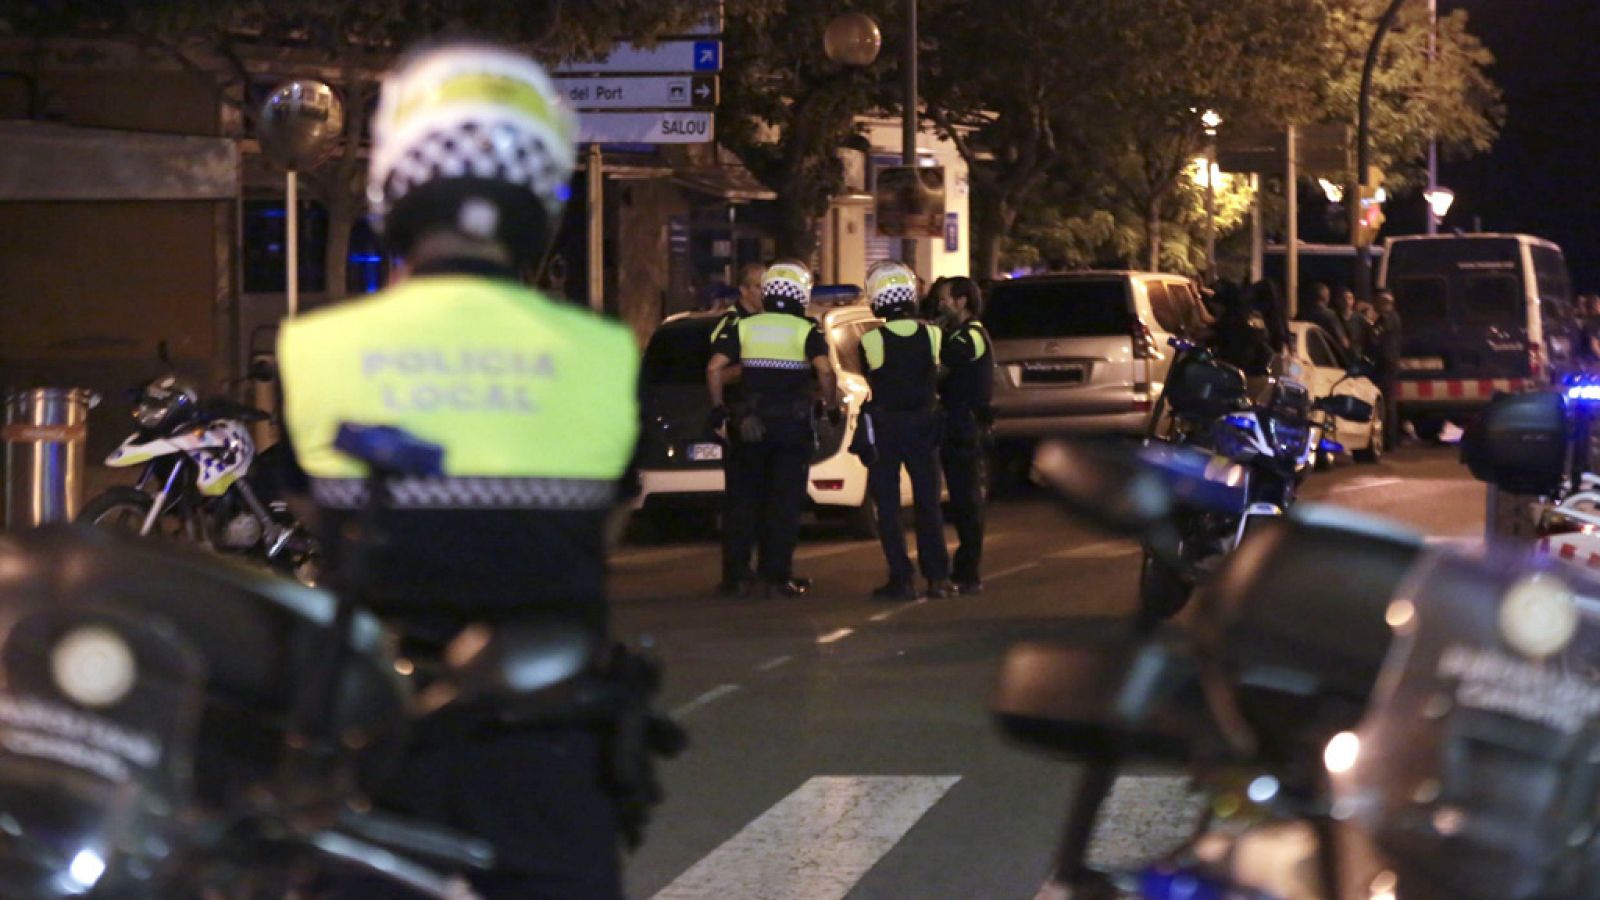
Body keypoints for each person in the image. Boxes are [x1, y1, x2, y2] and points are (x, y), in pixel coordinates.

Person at [275, 40, 642, 897]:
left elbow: (300, 508)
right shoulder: (598, 356)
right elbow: (610, 523)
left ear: (395, 186)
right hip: (546, 759)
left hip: (371, 751)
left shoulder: (317, 349)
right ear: (536, 196)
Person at [706, 261, 837, 598]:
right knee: (783, 504)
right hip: (791, 430)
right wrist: (829, 402)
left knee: (743, 503)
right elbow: (824, 371)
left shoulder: (746, 327)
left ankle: (736, 577)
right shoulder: (804, 329)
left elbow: (714, 368)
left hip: (749, 426)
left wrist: (719, 408)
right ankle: (775, 576)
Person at [858, 260, 950, 600]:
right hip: (925, 425)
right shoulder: (933, 334)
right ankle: (938, 577)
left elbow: (871, 375)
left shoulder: (872, 340)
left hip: (887, 427)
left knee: (889, 506)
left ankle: (901, 578)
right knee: (928, 503)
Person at [711, 261, 771, 595]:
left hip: (766, 417)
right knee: (742, 503)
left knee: (765, 501)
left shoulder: (767, 323)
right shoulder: (731, 323)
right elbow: (717, 370)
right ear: (745, 291)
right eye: (762, 287)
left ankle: (764, 572)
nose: (767, 294)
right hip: (742, 417)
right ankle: (736, 573)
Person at [936, 276, 994, 594]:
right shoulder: (961, 334)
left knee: (966, 501)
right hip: (961, 423)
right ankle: (964, 570)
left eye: (945, 298)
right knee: (961, 500)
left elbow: (938, 371)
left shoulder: (966, 337)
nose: (941, 304)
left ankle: (968, 572)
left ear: (962, 301)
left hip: (964, 426)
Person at [1371, 289, 1404, 446]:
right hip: (1387, 363)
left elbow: (1375, 335)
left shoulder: (1388, 318)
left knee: (1388, 402)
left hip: (1387, 364)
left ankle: (1390, 439)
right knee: (1387, 401)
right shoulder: (1390, 318)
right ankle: (1389, 438)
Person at [1302, 282, 1351, 352]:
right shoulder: (1330, 315)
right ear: (1326, 297)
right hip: (1324, 356)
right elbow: (1343, 343)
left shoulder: (1303, 314)